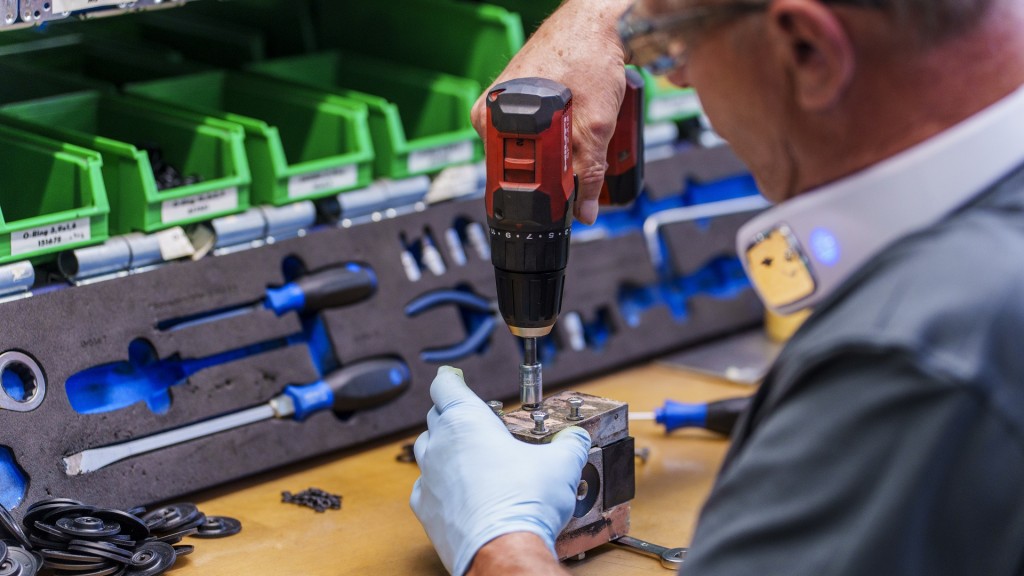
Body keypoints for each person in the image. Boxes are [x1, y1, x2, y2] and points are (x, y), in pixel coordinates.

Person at [410, 0, 1024, 574]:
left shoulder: (911, 359)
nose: (678, 82)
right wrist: (602, 16)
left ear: (806, 49)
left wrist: (500, 541)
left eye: (677, 53)